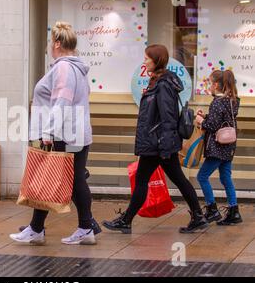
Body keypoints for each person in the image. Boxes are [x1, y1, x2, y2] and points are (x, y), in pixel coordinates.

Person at [9, 21, 100, 245]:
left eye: (51, 43)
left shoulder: (63, 67)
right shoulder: (77, 68)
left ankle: (41, 229)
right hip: (76, 133)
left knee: (49, 178)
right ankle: (75, 228)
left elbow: (62, 101)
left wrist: (48, 132)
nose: (50, 47)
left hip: (63, 134)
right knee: (74, 181)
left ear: (57, 44)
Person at [102, 44, 208, 234]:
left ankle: (126, 221)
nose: (144, 62)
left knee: (147, 181)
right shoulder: (157, 82)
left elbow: (168, 117)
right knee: (174, 180)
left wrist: (166, 147)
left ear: (156, 60)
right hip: (158, 143)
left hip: (159, 144)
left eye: (146, 58)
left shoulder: (164, 85)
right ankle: (198, 216)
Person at [195, 70, 242, 225]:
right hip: (229, 146)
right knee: (225, 177)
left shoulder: (217, 102)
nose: (208, 86)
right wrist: (206, 117)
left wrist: (201, 120)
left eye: (209, 83)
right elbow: (223, 120)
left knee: (202, 176)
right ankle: (234, 211)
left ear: (215, 85)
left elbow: (212, 125)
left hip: (217, 147)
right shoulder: (232, 100)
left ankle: (212, 209)